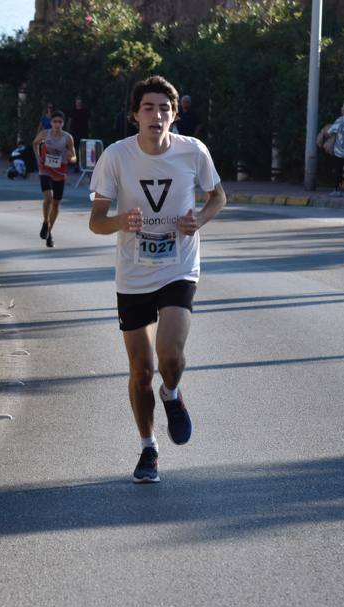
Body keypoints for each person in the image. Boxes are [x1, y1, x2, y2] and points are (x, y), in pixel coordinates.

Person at [88, 76, 227, 484]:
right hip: (132, 273)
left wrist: (198, 219)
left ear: (174, 114)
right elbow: (96, 222)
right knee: (140, 369)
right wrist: (120, 221)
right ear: (135, 115)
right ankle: (148, 447)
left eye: (164, 108)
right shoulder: (116, 157)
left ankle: (172, 393)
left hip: (179, 265)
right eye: (148, 107)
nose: (157, 115)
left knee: (168, 356)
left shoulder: (193, 151)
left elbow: (217, 195)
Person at [33, 109, 77, 248]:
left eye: (60, 122)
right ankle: (45, 222)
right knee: (48, 198)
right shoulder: (45, 134)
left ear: (63, 123)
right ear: (51, 123)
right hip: (45, 169)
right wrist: (38, 156)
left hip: (60, 172)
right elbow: (35, 143)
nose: (57, 124)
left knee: (56, 204)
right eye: (54, 121)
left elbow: (74, 156)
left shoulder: (67, 137)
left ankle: (49, 233)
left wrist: (71, 158)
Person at [67, 96, 90, 171]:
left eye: (80, 103)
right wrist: (68, 132)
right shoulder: (72, 111)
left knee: (83, 148)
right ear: (75, 103)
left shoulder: (85, 111)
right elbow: (69, 122)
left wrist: (90, 131)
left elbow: (89, 122)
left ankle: (83, 164)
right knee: (75, 149)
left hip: (83, 132)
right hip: (74, 132)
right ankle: (76, 165)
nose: (79, 104)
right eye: (77, 103)